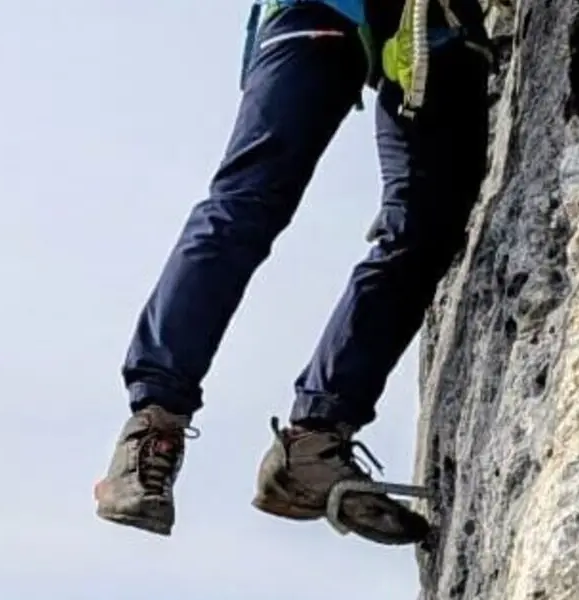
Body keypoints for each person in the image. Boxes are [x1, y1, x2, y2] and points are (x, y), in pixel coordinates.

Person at [91, 0, 491, 545]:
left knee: (427, 227)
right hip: (323, 10)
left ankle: (313, 443)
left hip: (433, 28)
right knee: (247, 203)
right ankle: (152, 424)